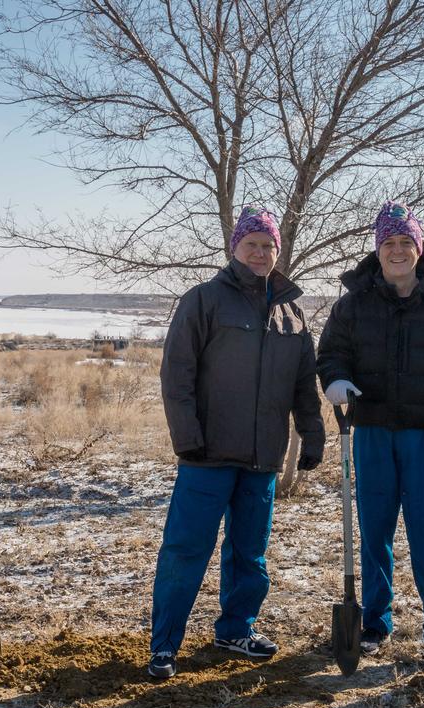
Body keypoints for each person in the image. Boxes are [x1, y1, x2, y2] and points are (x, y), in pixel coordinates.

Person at [149, 206, 324, 680]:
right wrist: (187, 438)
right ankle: (164, 645)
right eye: (252, 244)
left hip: (262, 457)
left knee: (250, 552)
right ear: (235, 248)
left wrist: (312, 432)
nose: (261, 253)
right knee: (185, 550)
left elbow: (303, 383)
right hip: (206, 456)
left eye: (268, 245)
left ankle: (235, 629)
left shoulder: (291, 312)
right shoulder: (203, 301)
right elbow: (176, 375)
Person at [316, 201, 424, 668]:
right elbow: (330, 353)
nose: (396, 250)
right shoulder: (353, 305)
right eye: (388, 242)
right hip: (370, 433)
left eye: (404, 242)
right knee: (374, 533)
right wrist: (333, 379)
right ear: (378, 248)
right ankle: (374, 623)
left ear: (419, 246)